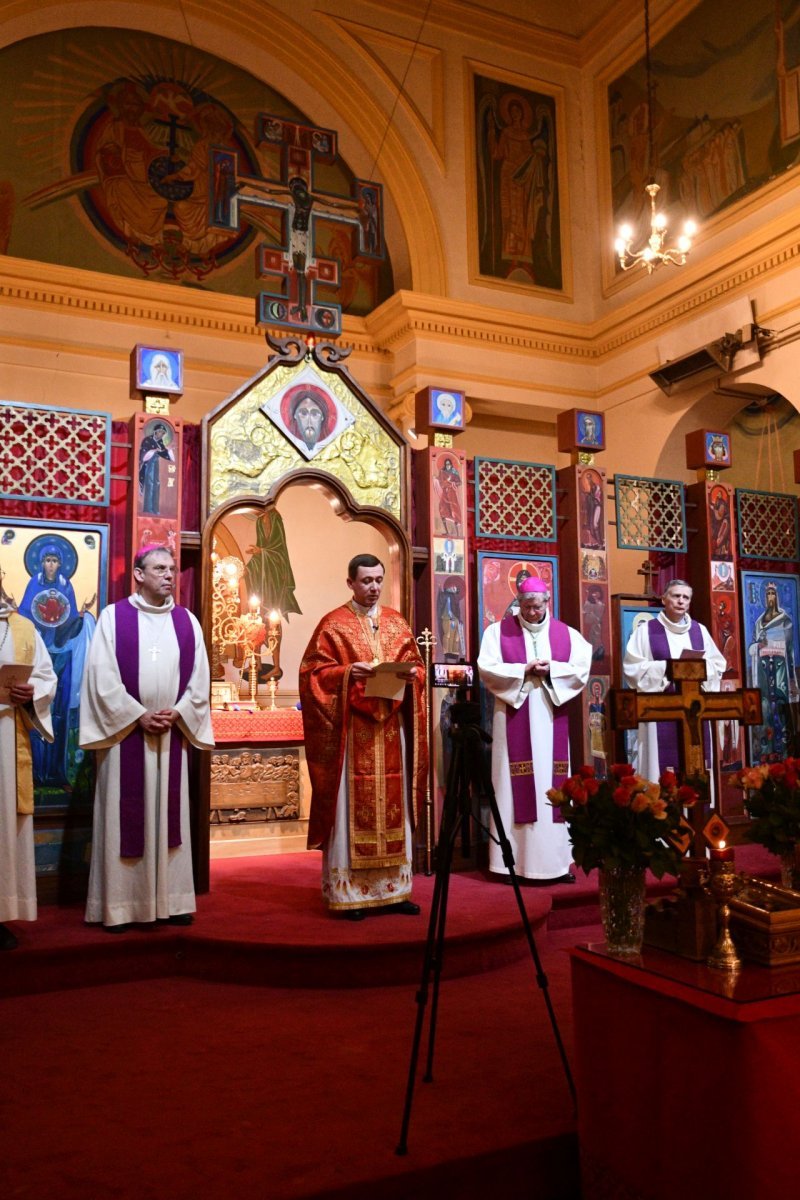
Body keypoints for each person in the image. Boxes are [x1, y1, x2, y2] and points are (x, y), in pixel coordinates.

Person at [80, 545, 214, 931]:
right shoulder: (113, 618)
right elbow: (101, 679)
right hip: (126, 738)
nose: (169, 575)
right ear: (138, 574)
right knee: (126, 819)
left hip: (170, 735)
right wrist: (138, 715)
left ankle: (172, 900)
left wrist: (180, 711)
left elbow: (199, 680)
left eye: (172, 569)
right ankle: (122, 906)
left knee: (169, 821)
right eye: (159, 569)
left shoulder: (187, 621)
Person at [298, 553, 428, 919]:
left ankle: (396, 892)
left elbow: (417, 666)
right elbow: (311, 674)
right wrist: (345, 673)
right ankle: (349, 894)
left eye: (378, 580)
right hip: (352, 735)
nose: (373, 588)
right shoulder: (333, 624)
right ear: (350, 583)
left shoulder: (396, 622)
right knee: (350, 808)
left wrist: (411, 676)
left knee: (394, 806)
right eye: (366, 581)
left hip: (391, 730)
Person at [478, 575, 592, 884]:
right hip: (514, 714)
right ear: (519, 604)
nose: (532, 613)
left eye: (537, 607)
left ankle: (555, 864)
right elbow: (487, 667)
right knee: (510, 785)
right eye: (526, 607)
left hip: (550, 713)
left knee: (551, 785)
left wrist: (552, 669)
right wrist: (522, 670)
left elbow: (582, 666)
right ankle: (509, 864)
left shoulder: (566, 634)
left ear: (547, 603)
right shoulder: (496, 633)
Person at [623, 578, 726, 780]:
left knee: (696, 764)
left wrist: (695, 670)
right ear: (664, 599)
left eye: (685, 597)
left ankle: (696, 810)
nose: (681, 601)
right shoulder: (646, 631)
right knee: (660, 767)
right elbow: (632, 668)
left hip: (694, 709)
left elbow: (717, 665)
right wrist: (668, 668)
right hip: (661, 707)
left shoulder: (700, 631)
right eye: (676, 595)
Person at [0, 598, 57, 949]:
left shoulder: (22, 627)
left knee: (3, 826)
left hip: (6, 735)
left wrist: (31, 690)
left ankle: (1, 912)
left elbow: (45, 675)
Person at [17, 542, 96, 789]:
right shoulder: (34, 584)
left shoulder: (65, 585)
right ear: (41, 563)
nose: (50, 564)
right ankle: (34, 774)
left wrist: (80, 618)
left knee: (58, 714)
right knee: (36, 710)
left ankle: (57, 774)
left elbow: (68, 619)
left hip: (61, 654)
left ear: (61, 564)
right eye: (47, 560)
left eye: (54, 560)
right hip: (36, 654)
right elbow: (25, 615)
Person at [747, 580, 798, 761]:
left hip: (780, 671)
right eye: (767, 594)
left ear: (777, 597)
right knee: (766, 708)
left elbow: (790, 651)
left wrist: (792, 679)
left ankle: (785, 752)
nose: (770, 597)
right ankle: (766, 752)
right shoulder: (759, 622)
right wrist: (758, 645)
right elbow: (753, 646)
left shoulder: (785, 621)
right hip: (763, 670)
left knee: (782, 709)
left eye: (772, 594)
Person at [138, 421, 176, 515]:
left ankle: (155, 509)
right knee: (150, 484)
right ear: (155, 431)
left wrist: (169, 450)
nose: (161, 435)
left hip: (155, 463)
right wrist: (153, 451)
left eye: (163, 433)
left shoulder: (160, 442)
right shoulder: (147, 440)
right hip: (148, 464)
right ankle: (148, 509)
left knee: (157, 483)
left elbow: (164, 453)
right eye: (160, 432)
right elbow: (142, 455)